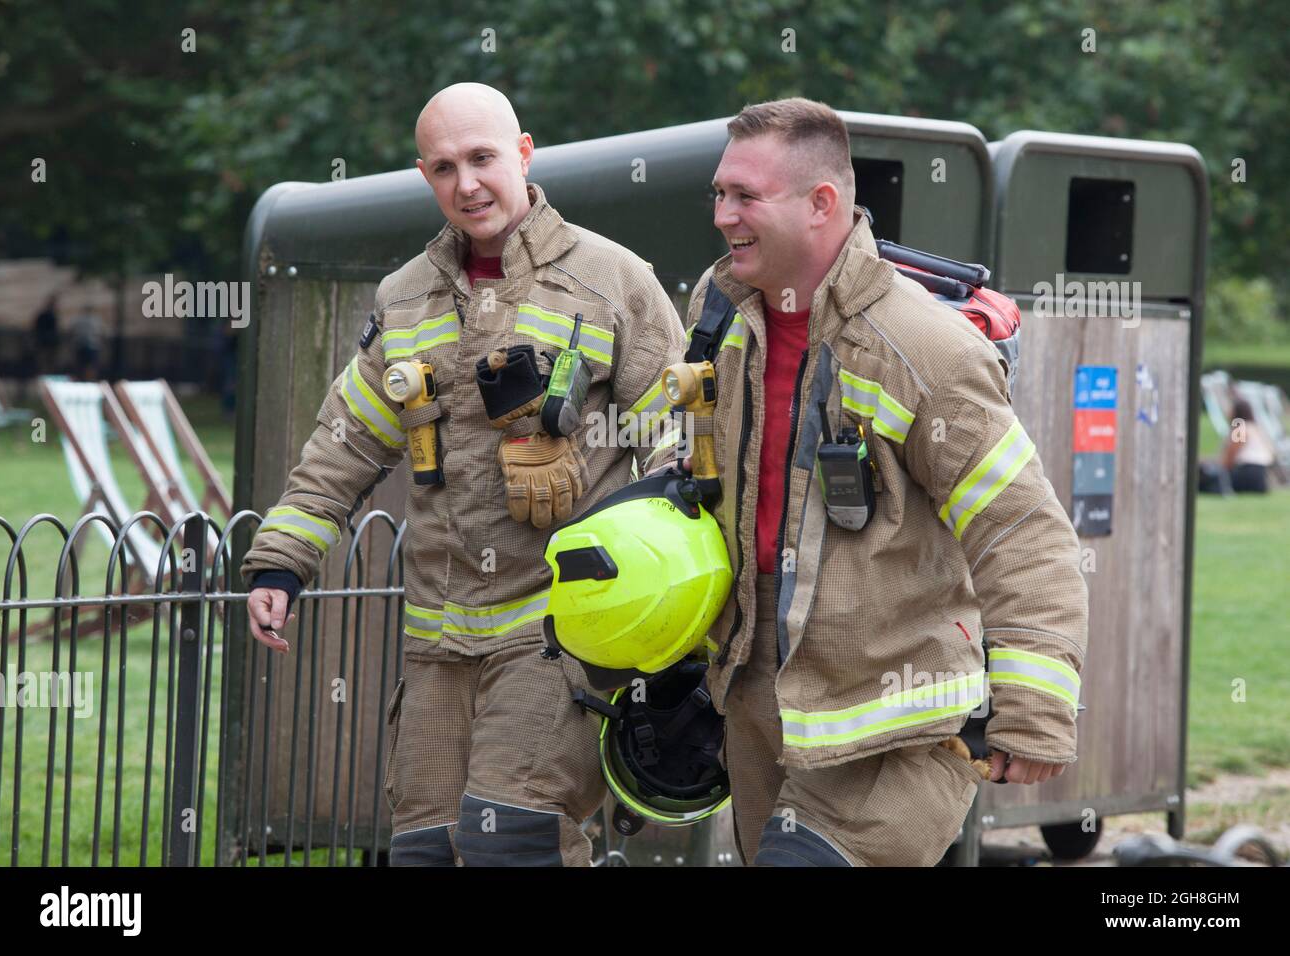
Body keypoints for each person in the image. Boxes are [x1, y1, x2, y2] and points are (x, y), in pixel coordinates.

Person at [240, 83, 685, 866]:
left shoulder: (612, 280)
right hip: (437, 642)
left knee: (514, 839)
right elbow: (344, 443)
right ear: (425, 175)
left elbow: (683, 446)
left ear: (523, 153)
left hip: (564, 628)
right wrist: (282, 560)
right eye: (445, 168)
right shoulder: (405, 298)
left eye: (482, 159)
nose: (467, 184)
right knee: (425, 851)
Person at [684, 98, 1089, 866]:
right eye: (718, 193)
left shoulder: (923, 350)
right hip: (761, 710)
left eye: (744, 197)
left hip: (898, 732)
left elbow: (1023, 531)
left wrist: (1036, 708)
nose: (721, 214)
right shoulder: (722, 316)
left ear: (821, 203)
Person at [1220, 398, 1275, 492]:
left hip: (1246, 472)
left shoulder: (1240, 429)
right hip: (1262, 475)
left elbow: (1231, 454)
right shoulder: (1257, 428)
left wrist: (1220, 471)